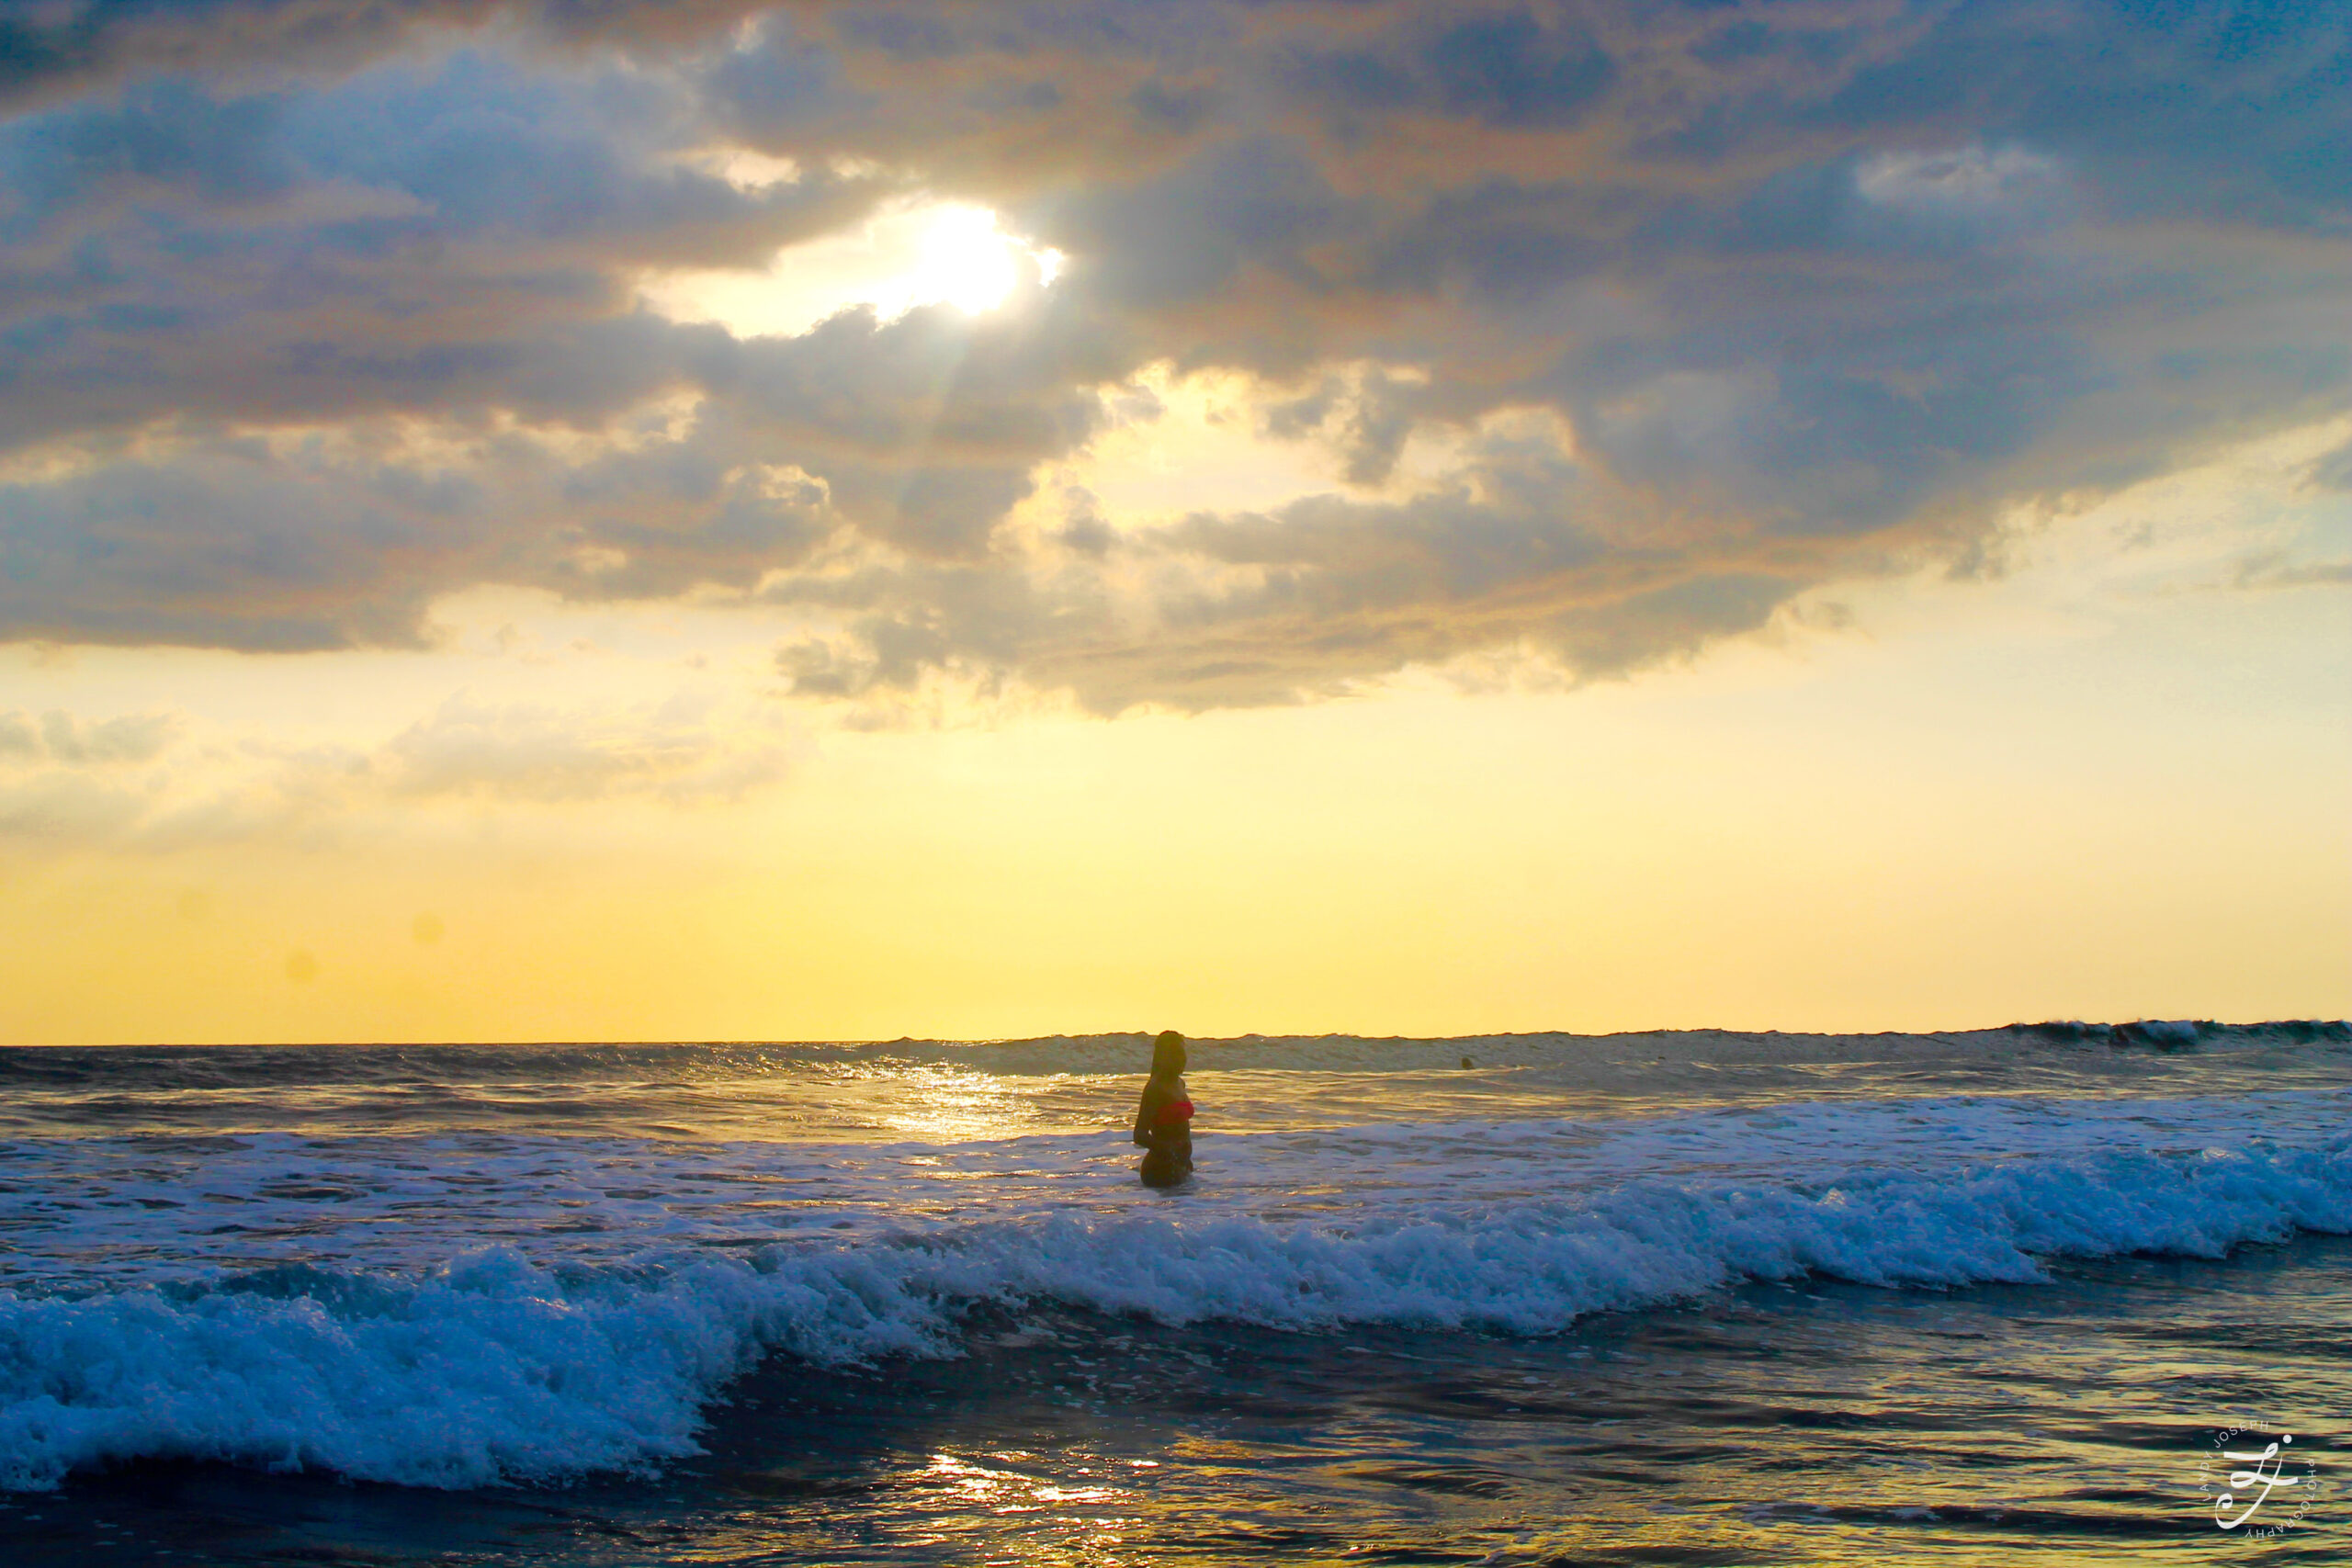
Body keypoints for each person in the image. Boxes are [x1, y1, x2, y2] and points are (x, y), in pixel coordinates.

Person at [1132, 1029, 1194, 1188]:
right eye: (1173, 1055)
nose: (1180, 1059)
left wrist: (1184, 1158)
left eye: (1181, 1054)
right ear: (1161, 1058)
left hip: (1179, 1166)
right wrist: (1169, 1150)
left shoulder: (1180, 1083)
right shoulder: (1155, 1088)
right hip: (1159, 1169)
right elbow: (1139, 1134)